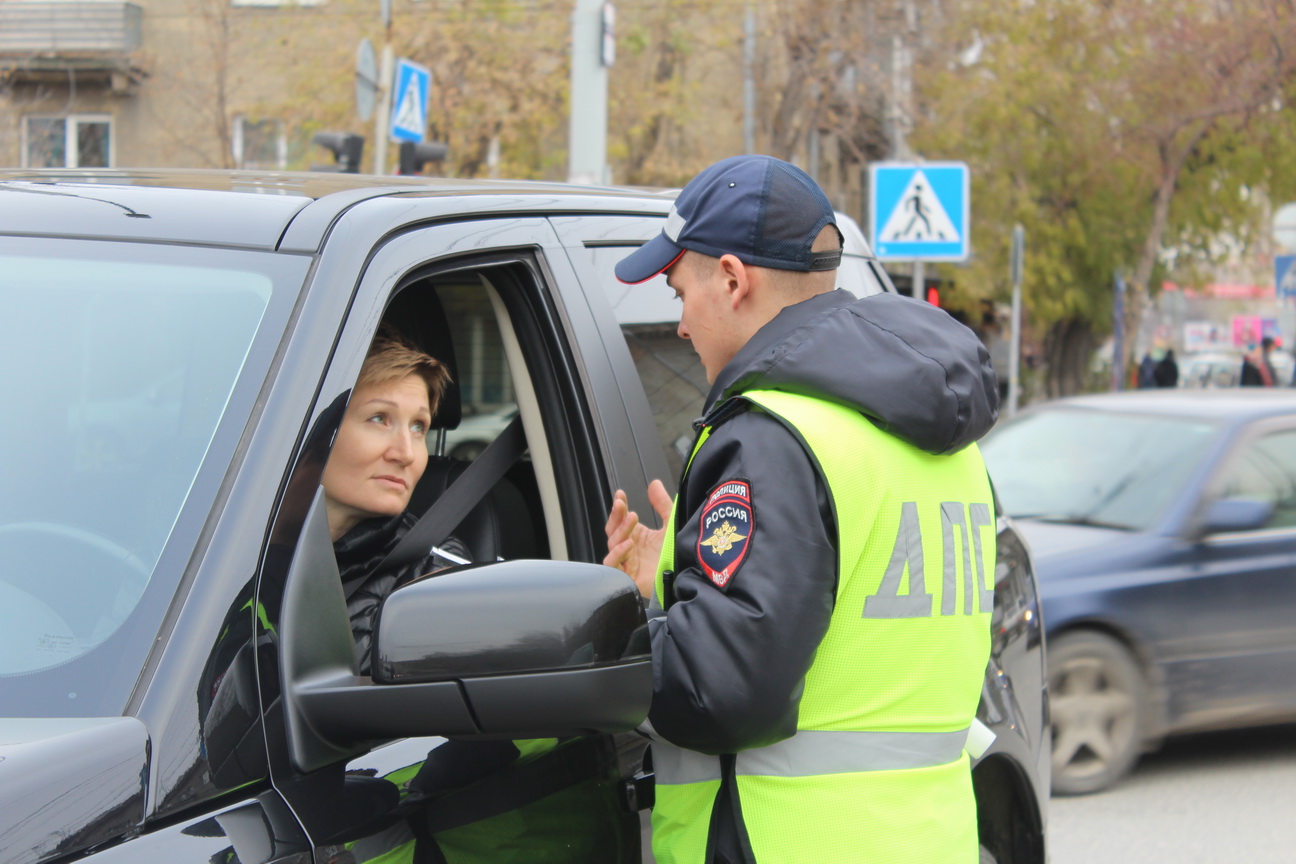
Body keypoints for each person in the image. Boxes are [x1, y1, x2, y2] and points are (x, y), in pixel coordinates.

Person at [603, 155, 1000, 864]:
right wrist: (672, 571)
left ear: (731, 278)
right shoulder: (944, 443)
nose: (683, 327)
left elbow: (722, 690)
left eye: (679, 293)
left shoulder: (773, 437)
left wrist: (611, 636)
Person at [320, 326, 469, 675]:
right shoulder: (229, 553)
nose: (406, 453)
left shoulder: (437, 571)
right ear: (315, 430)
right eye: (379, 419)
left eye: (418, 427)